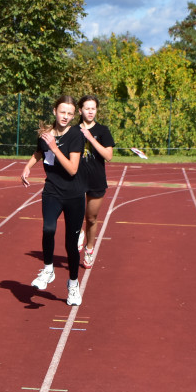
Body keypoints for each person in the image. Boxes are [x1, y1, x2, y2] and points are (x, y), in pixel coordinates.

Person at [21, 95, 84, 306]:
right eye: (62, 112)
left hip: (74, 195)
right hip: (52, 192)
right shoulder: (45, 135)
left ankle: (73, 284)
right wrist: (28, 166)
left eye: (69, 113)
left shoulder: (76, 135)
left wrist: (55, 147)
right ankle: (48, 269)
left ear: (73, 116)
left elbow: (73, 169)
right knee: (48, 228)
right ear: (54, 111)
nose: (65, 116)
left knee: (70, 245)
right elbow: (39, 152)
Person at [74, 95, 115, 269]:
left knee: (91, 217)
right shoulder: (73, 130)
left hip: (96, 180)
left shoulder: (103, 131)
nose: (90, 111)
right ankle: (79, 232)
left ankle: (89, 249)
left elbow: (108, 156)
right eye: (87, 108)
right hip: (76, 179)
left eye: (93, 108)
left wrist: (91, 138)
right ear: (80, 110)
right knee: (74, 215)